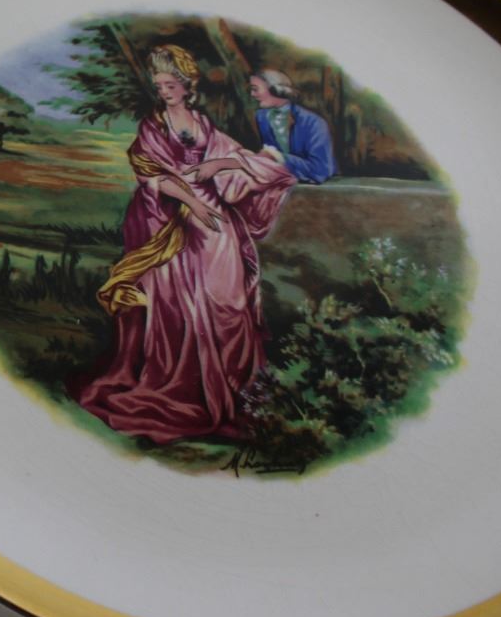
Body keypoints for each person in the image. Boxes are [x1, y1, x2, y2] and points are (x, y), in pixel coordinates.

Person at [70, 46, 296, 444]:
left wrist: (218, 166)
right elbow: (151, 175)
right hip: (166, 216)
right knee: (182, 301)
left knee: (229, 298)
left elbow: (238, 159)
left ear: (187, 85)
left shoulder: (204, 124)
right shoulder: (152, 127)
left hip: (213, 212)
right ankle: (188, 388)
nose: (164, 92)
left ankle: (234, 390)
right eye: (159, 85)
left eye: (170, 85)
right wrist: (192, 202)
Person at [248, 69, 336, 185]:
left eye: (255, 89)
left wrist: (278, 157)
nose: (252, 94)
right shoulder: (260, 118)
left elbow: (321, 170)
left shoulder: (314, 123)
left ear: (277, 90)